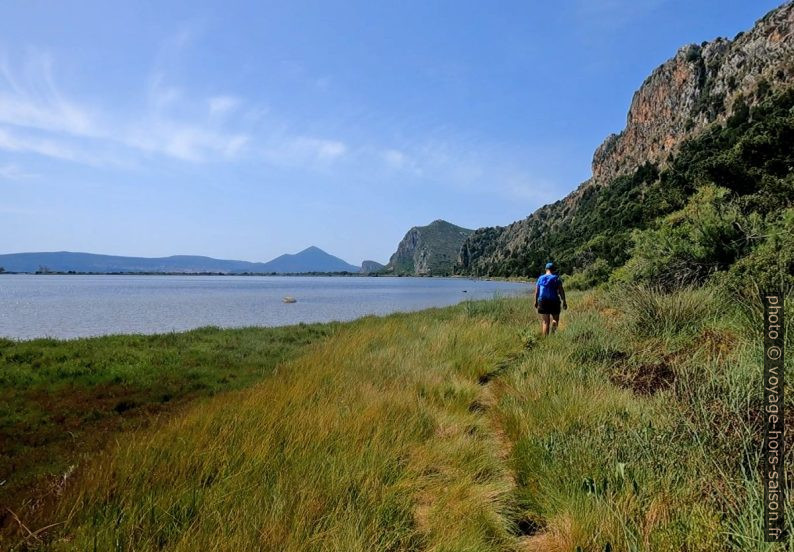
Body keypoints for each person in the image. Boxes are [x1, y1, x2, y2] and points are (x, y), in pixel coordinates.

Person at [534, 262, 567, 336]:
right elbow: (561, 291)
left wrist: (536, 302)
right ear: (553, 270)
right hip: (554, 301)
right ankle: (552, 333)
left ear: (546, 269)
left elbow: (537, 292)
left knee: (545, 321)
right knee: (555, 318)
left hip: (543, 301)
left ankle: (545, 339)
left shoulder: (540, 278)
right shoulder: (556, 278)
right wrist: (564, 301)